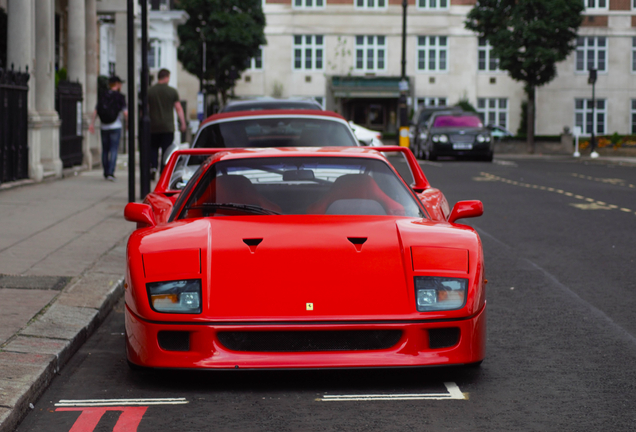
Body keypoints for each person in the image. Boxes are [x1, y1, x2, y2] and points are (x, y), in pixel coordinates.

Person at [148, 68, 186, 176]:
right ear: (166, 77)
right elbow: (178, 108)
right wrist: (182, 122)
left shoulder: (150, 91)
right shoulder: (172, 91)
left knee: (153, 148)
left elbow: (145, 109)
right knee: (166, 150)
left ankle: (153, 167)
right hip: (168, 126)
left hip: (153, 126)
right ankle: (163, 171)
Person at [89, 76, 128, 181]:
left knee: (105, 150)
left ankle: (105, 171)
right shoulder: (120, 96)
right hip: (115, 126)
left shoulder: (103, 95)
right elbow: (125, 112)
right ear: (117, 84)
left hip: (104, 126)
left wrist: (92, 123)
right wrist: (128, 124)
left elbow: (96, 110)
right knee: (114, 149)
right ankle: (111, 172)